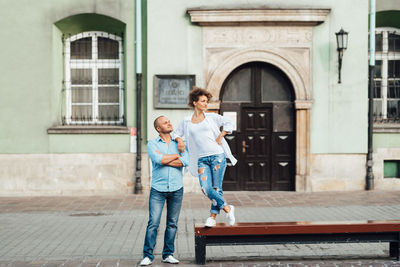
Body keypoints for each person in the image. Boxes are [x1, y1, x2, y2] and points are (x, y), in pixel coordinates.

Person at [172, 87, 237, 227]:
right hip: (201, 159)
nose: (205, 104)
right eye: (203, 101)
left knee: (216, 188)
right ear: (195, 102)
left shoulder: (211, 117)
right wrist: (180, 141)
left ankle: (212, 218)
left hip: (217, 156)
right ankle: (227, 208)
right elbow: (175, 134)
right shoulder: (186, 121)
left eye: (206, 101)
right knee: (205, 188)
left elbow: (229, 123)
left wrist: (221, 135)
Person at [140, 116, 189, 266]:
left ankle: (168, 254)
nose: (169, 123)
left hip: (176, 188)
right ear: (158, 129)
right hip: (158, 190)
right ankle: (148, 255)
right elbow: (157, 160)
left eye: (169, 121)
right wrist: (176, 156)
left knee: (172, 223)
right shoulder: (152, 144)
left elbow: (185, 161)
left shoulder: (179, 143)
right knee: (153, 223)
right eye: (165, 122)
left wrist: (167, 158)